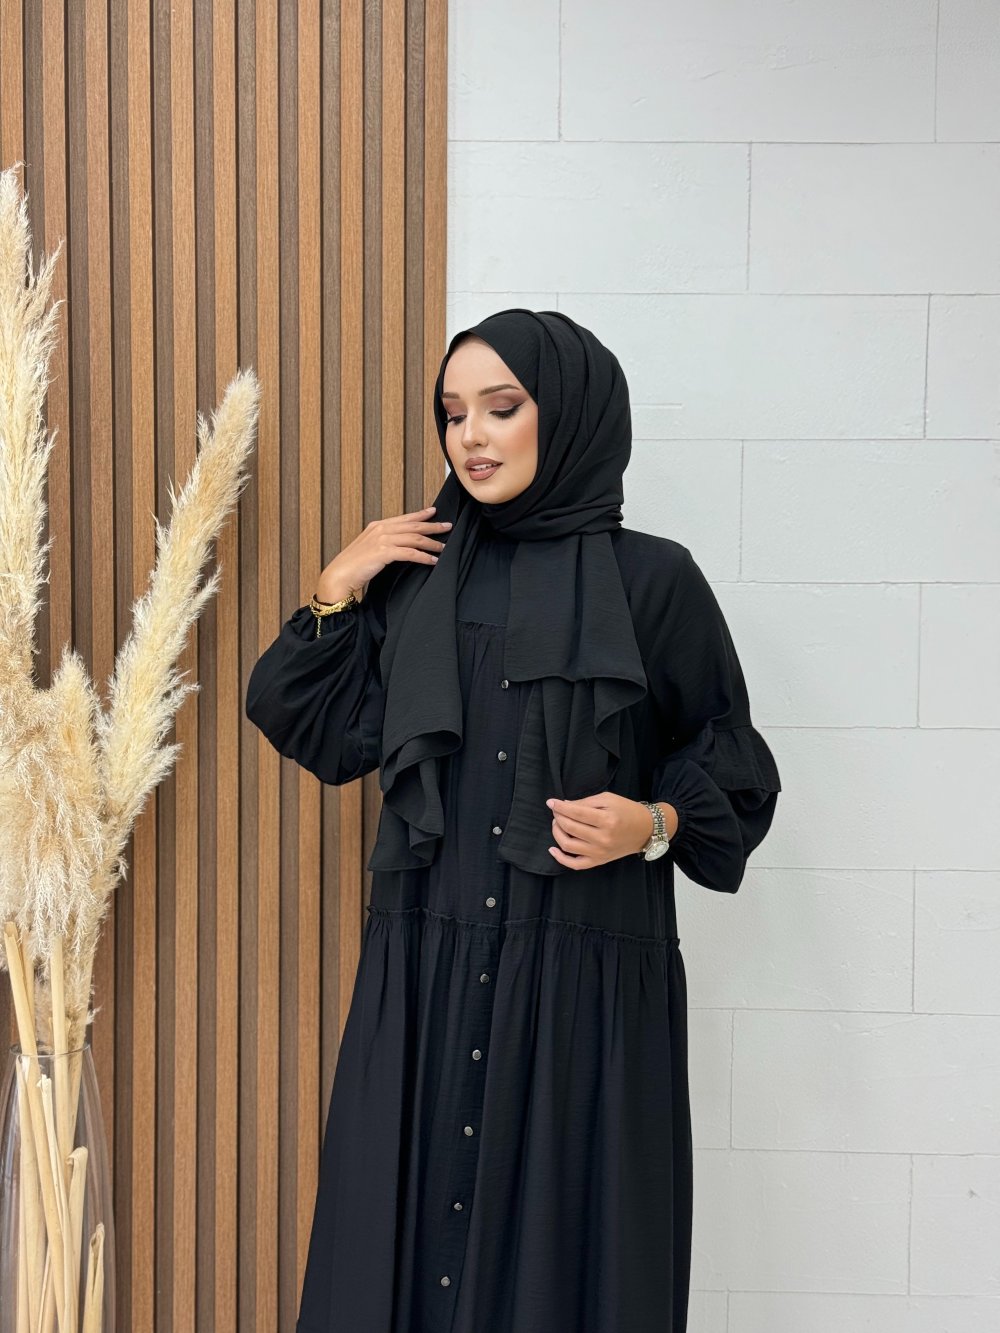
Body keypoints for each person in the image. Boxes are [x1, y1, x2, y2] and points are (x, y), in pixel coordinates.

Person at [245, 308, 782, 1333]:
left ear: (569, 413)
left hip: (582, 987)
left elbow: (735, 766)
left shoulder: (653, 582)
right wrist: (335, 589)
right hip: (425, 976)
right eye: (453, 414)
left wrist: (652, 823)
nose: (471, 437)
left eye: (502, 408)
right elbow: (321, 731)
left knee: (565, 1266)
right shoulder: (416, 577)